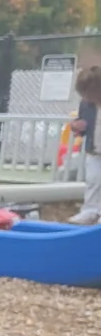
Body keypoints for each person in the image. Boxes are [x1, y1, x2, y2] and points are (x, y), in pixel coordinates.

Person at [65, 65, 101, 224]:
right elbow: (83, 124)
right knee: (93, 180)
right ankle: (90, 211)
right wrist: (77, 127)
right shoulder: (86, 104)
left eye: (89, 93)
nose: (85, 97)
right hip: (94, 149)